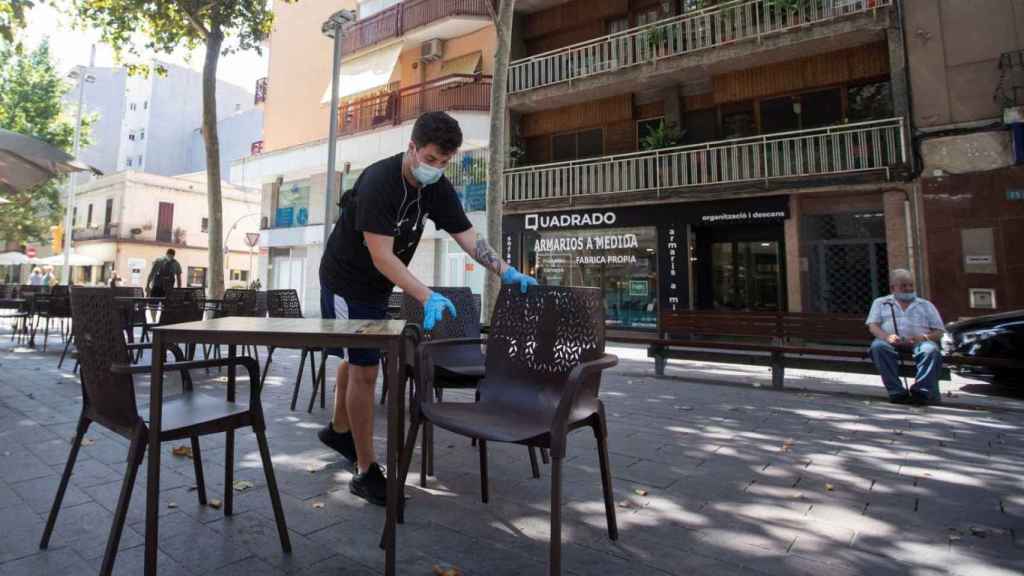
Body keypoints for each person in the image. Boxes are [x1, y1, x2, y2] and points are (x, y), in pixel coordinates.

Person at [317, 111, 538, 506]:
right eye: (431, 159)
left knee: (355, 359)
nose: (436, 168)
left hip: (377, 284)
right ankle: (366, 471)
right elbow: (382, 256)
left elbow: (468, 237)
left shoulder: (435, 188)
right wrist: (425, 295)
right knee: (366, 370)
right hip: (346, 281)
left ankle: (338, 430)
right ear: (412, 148)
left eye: (444, 162)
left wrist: (506, 271)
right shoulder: (378, 182)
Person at [866, 268, 945, 405]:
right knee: (878, 347)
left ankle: (921, 392)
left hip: (920, 342)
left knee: (930, 350)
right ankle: (896, 392)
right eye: (903, 285)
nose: (908, 288)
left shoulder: (925, 305)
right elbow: (873, 326)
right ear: (893, 288)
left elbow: (939, 331)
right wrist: (887, 337)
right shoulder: (881, 303)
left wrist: (924, 338)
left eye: (910, 285)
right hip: (890, 342)